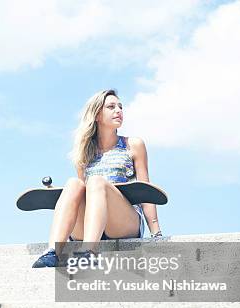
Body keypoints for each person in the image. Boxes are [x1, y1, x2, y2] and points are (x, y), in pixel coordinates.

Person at [32, 89, 162, 268]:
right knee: (74, 184)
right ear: (97, 115)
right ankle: (52, 252)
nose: (119, 111)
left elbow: (145, 189)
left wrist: (156, 233)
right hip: (91, 226)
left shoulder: (133, 145)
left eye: (120, 107)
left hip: (124, 223)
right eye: (111, 107)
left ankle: (89, 253)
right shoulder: (84, 153)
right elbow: (82, 196)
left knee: (96, 181)